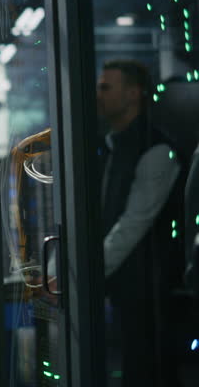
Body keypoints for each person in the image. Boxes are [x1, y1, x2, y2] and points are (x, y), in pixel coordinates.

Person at [96, 59, 183, 386]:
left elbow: (133, 224)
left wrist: (87, 270)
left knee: (147, 370)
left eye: (106, 87)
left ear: (133, 94)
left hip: (150, 291)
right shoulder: (111, 148)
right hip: (123, 287)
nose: (98, 94)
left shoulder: (157, 150)